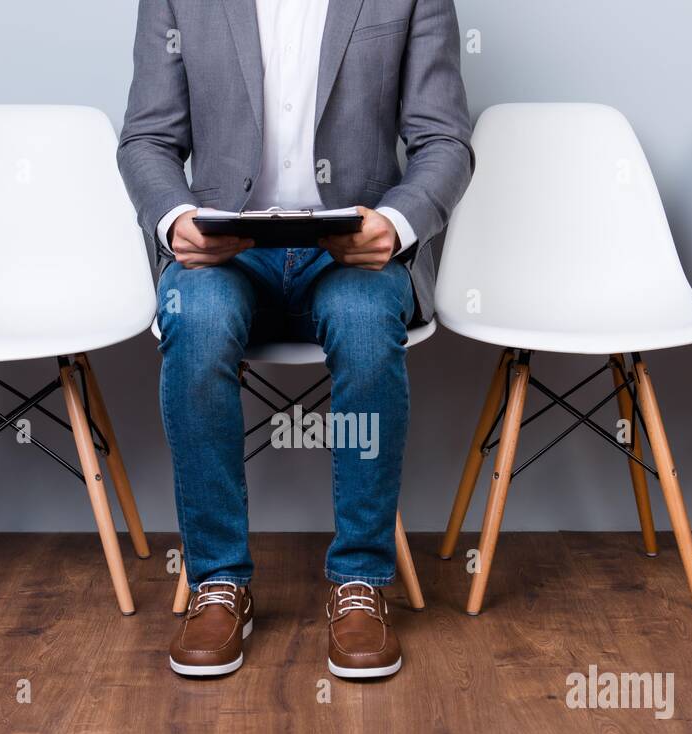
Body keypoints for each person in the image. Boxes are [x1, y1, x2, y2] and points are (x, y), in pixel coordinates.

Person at [118, 0, 473, 679]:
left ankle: (361, 583)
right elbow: (146, 140)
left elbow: (444, 140)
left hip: (352, 253)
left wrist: (394, 226)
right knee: (194, 318)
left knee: (369, 326)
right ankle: (218, 583)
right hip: (226, 255)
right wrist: (174, 219)